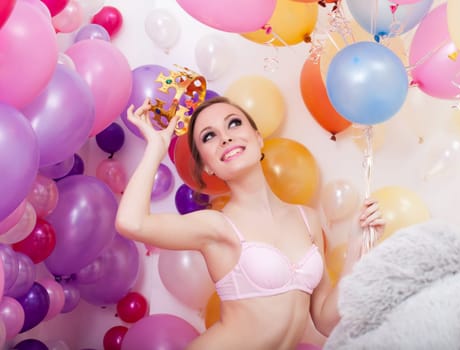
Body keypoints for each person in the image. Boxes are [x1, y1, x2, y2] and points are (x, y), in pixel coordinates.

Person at [115, 96, 385, 349]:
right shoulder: (216, 227)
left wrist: (358, 247)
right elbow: (131, 223)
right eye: (209, 136)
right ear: (208, 167)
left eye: (233, 123)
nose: (225, 137)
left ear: (258, 138)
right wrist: (156, 147)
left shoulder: (307, 219)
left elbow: (326, 321)